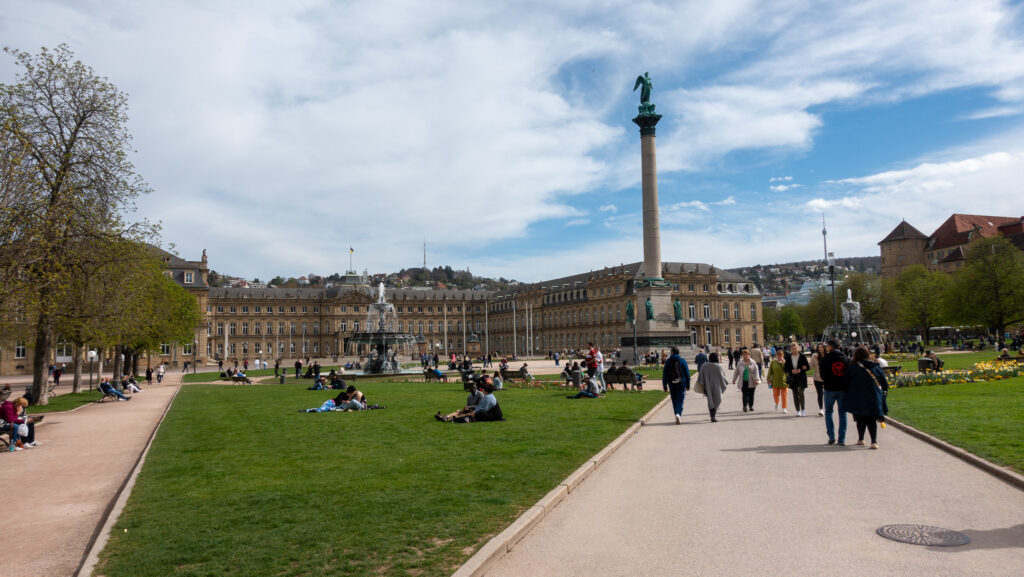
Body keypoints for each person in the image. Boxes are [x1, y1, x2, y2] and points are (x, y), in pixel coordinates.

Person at [844, 346, 888, 449]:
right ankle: (874, 441)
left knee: (860, 418)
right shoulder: (875, 366)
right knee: (871, 419)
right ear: (868, 354)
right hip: (873, 395)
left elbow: (846, 382)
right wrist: (884, 393)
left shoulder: (851, 367)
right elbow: (884, 382)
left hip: (857, 395)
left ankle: (861, 439)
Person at [821, 339, 849, 446]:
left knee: (829, 412)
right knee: (842, 414)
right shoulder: (845, 358)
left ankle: (831, 436)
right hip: (842, 388)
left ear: (830, 346)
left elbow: (822, 375)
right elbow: (848, 374)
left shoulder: (826, 359)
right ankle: (842, 439)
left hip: (829, 388)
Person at [695, 352, 728, 422]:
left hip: (707, 386)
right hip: (717, 385)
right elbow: (723, 377)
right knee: (718, 399)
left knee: (710, 400)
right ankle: (713, 414)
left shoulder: (704, 366)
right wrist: (725, 383)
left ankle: (712, 413)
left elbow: (700, 376)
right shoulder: (718, 366)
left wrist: (702, 383)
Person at [662, 346, 690, 424]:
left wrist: (664, 386)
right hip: (681, 383)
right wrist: (688, 385)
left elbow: (664, 375)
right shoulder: (682, 360)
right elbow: (687, 374)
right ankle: (678, 414)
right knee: (680, 400)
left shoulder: (668, 362)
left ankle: (676, 414)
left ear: (672, 352)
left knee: (674, 400)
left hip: (671, 383)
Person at [731, 349, 760, 413]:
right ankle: (744, 406)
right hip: (743, 381)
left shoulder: (753, 362)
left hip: (752, 381)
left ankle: (751, 406)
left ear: (749, 355)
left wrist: (757, 379)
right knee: (745, 394)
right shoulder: (740, 363)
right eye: (744, 355)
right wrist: (734, 379)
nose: (745, 356)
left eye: (746, 355)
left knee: (751, 394)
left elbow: (756, 371)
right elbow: (736, 372)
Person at [785, 343, 811, 416]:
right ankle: (798, 410)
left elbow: (807, 367)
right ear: (790, 349)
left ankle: (803, 409)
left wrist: (803, 369)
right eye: (792, 349)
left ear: (798, 348)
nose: (794, 350)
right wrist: (791, 371)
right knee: (795, 394)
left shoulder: (802, 356)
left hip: (801, 377)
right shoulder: (789, 357)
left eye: (795, 348)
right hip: (793, 378)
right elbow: (786, 368)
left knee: (801, 393)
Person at [765, 349, 789, 414]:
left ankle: (784, 408)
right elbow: (770, 371)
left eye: (781, 356)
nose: (779, 357)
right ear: (776, 356)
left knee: (784, 395)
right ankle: (777, 402)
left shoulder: (786, 362)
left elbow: (788, 372)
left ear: (783, 356)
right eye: (778, 356)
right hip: (775, 381)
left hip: (784, 381)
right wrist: (768, 379)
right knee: (775, 395)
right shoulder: (773, 362)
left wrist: (789, 379)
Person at [809, 343, 827, 416]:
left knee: (827, 394)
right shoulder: (814, 356)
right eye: (819, 347)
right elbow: (810, 366)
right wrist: (803, 367)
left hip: (827, 378)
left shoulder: (828, 356)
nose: (820, 348)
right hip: (817, 377)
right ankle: (821, 409)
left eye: (822, 347)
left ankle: (827, 408)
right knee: (820, 394)